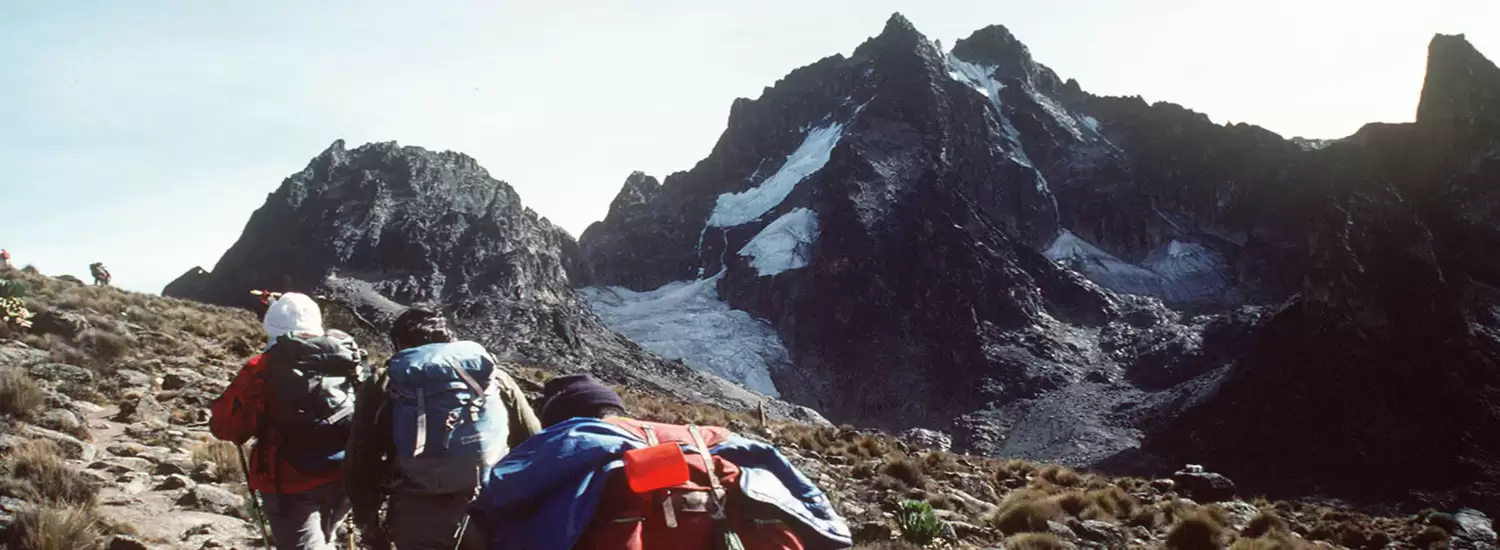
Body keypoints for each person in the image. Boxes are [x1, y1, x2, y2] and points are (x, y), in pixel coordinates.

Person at [465, 374, 853, 550]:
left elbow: (499, 492)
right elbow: (778, 465)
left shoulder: (575, 433)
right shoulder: (708, 436)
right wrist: (829, 526)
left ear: (563, 415)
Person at [344, 307, 540, 550]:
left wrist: (369, 525)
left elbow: (360, 460)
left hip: (418, 517)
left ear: (399, 345)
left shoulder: (384, 384)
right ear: (451, 340)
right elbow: (535, 442)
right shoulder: (492, 378)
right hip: (492, 508)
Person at [209, 293, 362, 550]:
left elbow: (227, 427)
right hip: (344, 471)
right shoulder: (345, 358)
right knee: (327, 536)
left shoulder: (262, 367)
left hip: (289, 478)